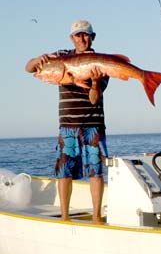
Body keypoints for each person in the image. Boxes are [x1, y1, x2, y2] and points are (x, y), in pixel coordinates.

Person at [25, 20, 108, 223]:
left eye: (86, 35)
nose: (82, 39)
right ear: (72, 38)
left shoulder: (100, 62)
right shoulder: (61, 56)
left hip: (93, 125)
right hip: (67, 125)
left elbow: (94, 99)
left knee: (96, 171)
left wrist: (95, 82)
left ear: (92, 37)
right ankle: (64, 217)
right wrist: (38, 59)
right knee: (64, 172)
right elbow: (29, 68)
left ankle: (96, 217)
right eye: (78, 35)